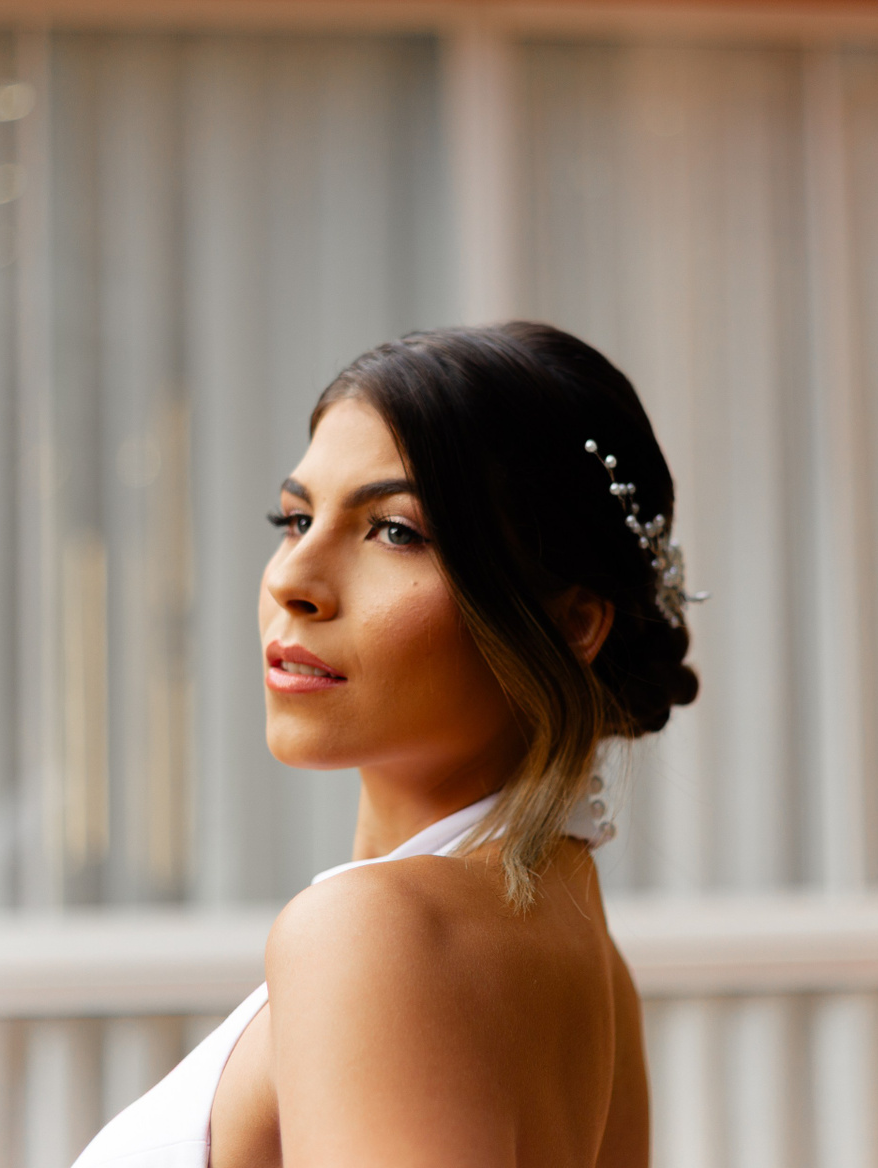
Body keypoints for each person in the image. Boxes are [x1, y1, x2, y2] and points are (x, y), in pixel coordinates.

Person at [71, 322, 702, 1168]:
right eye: (296, 518)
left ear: (573, 623)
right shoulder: (587, 960)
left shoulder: (373, 934)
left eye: (396, 531)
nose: (292, 580)